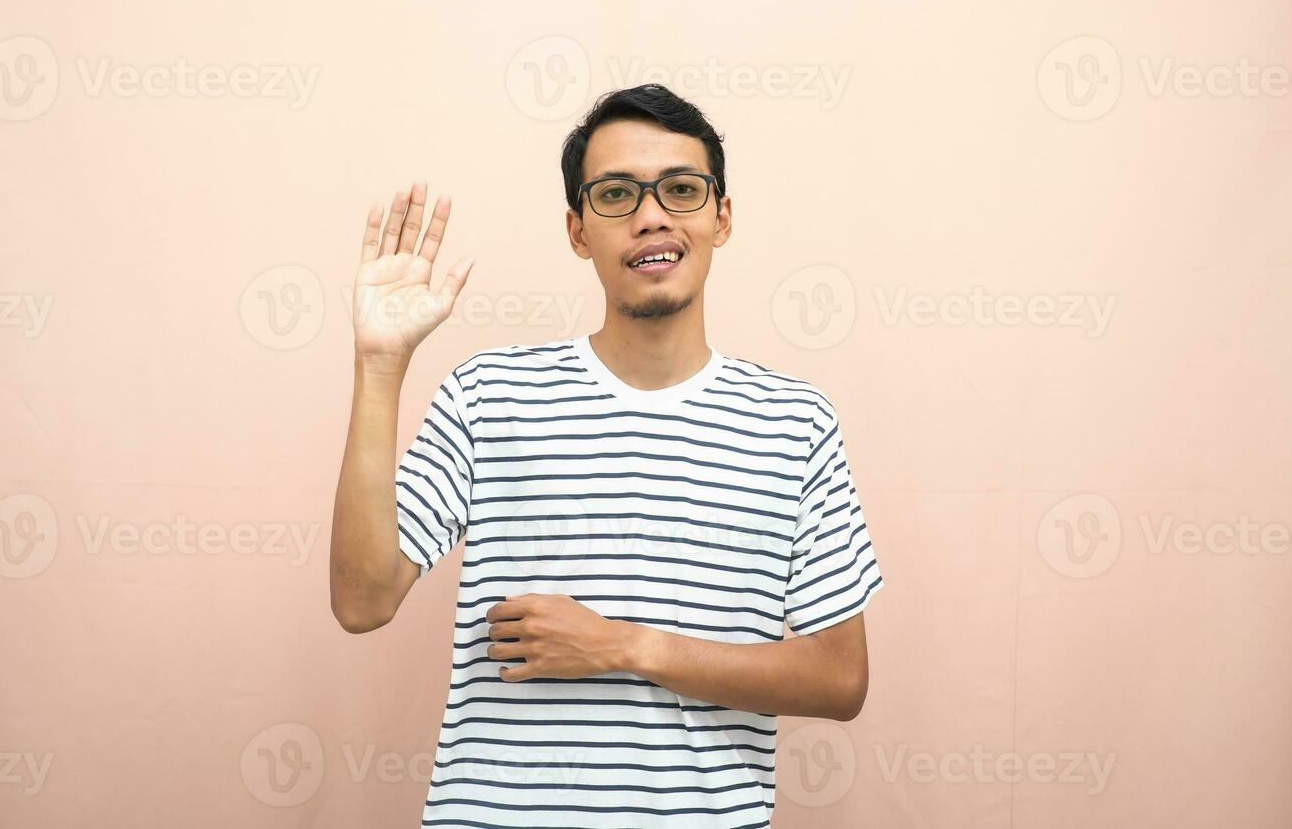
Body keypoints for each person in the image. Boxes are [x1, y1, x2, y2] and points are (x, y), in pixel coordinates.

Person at [329, 84, 884, 828]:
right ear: (578, 229)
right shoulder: (489, 396)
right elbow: (362, 601)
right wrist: (379, 367)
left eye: (681, 190)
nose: (651, 215)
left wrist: (620, 645)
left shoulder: (795, 423)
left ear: (722, 217)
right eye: (617, 193)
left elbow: (839, 679)